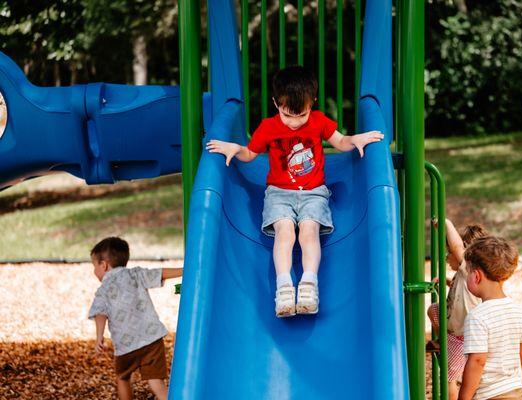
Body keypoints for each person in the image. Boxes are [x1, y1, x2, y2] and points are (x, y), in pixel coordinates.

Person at [206, 65, 383, 317]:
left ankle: (309, 284)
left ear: (313, 103)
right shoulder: (268, 127)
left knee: (309, 232)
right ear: (276, 103)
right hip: (278, 193)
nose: (295, 122)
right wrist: (235, 148)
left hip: (314, 192)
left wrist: (355, 139)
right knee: (285, 233)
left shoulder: (319, 121)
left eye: (302, 115)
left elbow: (340, 141)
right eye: (288, 115)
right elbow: (250, 153)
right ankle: (285, 287)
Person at [88, 237, 183, 400]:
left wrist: (99, 337)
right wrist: (184, 270)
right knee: (156, 383)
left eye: (94, 266)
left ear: (103, 265)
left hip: (126, 346)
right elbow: (160, 273)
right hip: (151, 339)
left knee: (123, 379)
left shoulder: (103, 290)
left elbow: (100, 313)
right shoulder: (136, 274)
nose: (94, 270)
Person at [459, 236, 522, 400]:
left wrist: (463, 398)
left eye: (467, 272)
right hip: (517, 393)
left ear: (477, 276)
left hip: (489, 395)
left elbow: (478, 360)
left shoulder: (477, 316)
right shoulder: (519, 311)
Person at [428, 219, 488, 400]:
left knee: (448, 378)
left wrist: (446, 224)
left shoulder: (468, 268)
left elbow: (456, 246)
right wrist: (446, 281)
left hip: (461, 338)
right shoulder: (462, 275)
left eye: (449, 252)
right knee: (433, 310)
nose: (447, 256)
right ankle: (442, 341)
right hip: (453, 329)